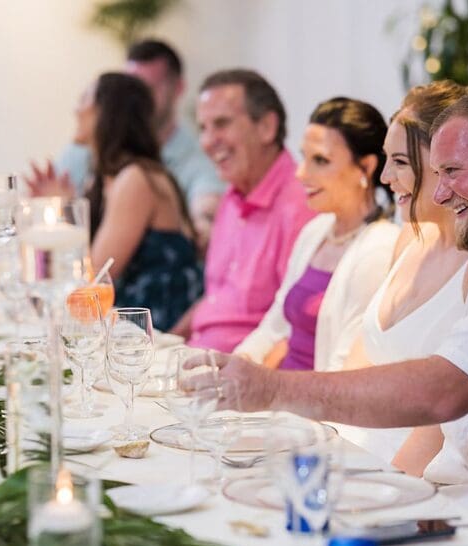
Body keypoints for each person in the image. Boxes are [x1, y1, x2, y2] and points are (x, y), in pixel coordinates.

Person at [197, 86, 468, 519]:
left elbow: (443, 392)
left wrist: (271, 390)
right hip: (448, 490)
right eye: (437, 173)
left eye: (452, 170)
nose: (440, 193)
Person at [338, 81, 468, 471]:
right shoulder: (408, 240)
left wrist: (389, 486)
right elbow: (359, 366)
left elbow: (443, 421)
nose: (384, 177)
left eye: (399, 161)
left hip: (420, 467)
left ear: (446, 162)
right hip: (355, 443)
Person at [233, 97, 400, 371]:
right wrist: (238, 365)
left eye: (320, 160)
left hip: (312, 406)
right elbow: (274, 326)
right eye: (304, 157)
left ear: (367, 167)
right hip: (276, 394)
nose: (301, 173)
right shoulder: (316, 231)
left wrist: (272, 393)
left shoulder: (380, 247)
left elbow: (347, 370)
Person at [30, 39, 223, 250]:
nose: (76, 109)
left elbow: (95, 274)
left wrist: (202, 224)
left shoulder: (141, 176)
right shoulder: (82, 154)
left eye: (145, 89)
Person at [177, 69, 317, 352]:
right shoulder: (232, 196)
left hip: (241, 376)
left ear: (267, 127)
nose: (206, 141)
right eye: (203, 128)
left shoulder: (302, 206)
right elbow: (215, 301)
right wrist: (159, 344)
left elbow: (294, 332)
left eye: (221, 124)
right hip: (197, 360)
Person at [75, 72, 201, 332]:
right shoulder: (107, 179)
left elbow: (95, 280)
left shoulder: (136, 179)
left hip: (153, 333)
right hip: (126, 328)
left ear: (107, 112)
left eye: (84, 99)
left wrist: (62, 222)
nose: (76, 109)